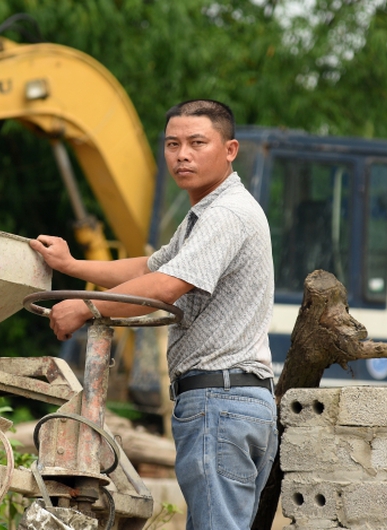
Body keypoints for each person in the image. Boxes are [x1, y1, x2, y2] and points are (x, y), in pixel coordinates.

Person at [29, 99, 278, 530]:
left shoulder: (227, 214)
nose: (182, 154)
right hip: (234, 402)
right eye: (172, 144)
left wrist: (85, 308)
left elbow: (165, 286)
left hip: (220, 403)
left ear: (230, 149)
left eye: (197, 143)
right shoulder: (203, 215)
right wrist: (71, 266)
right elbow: (149, 268)